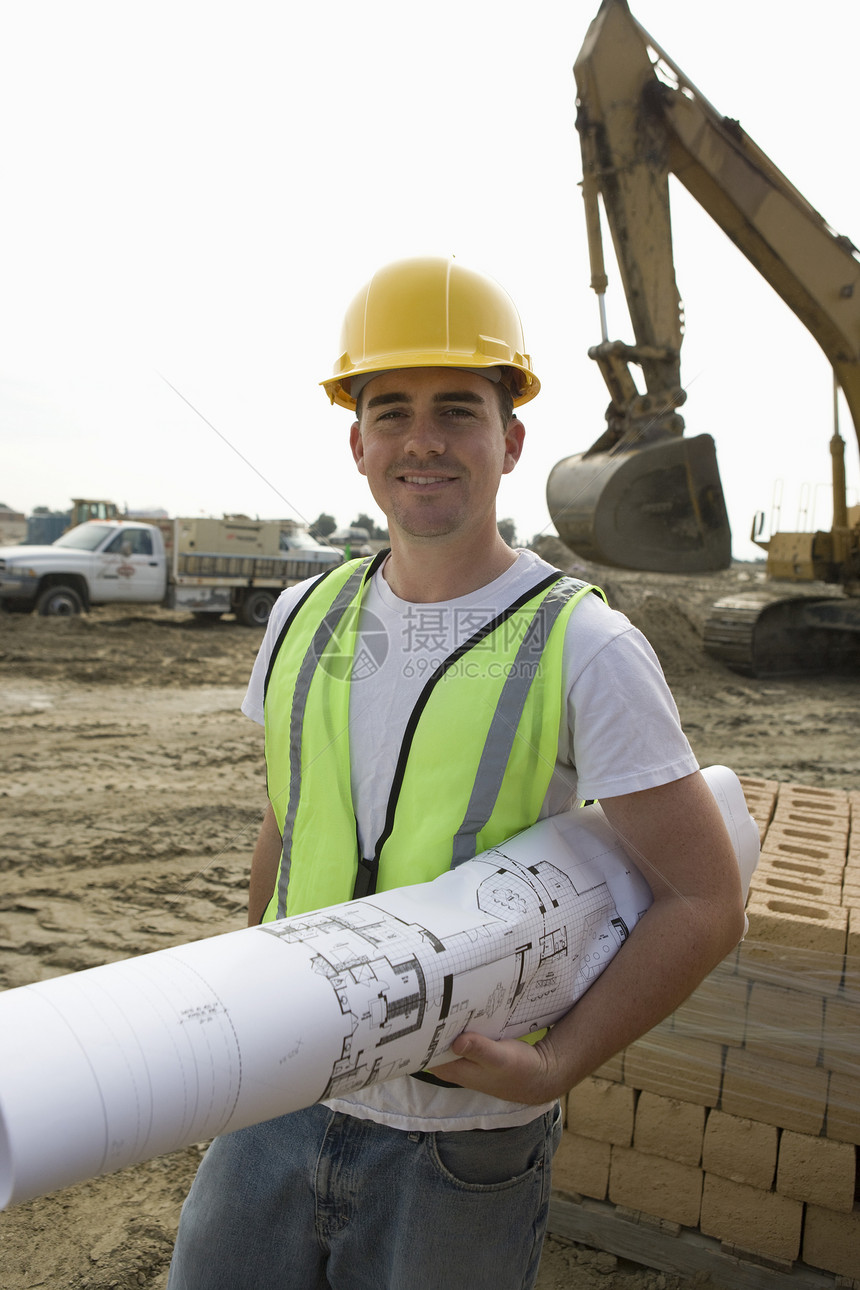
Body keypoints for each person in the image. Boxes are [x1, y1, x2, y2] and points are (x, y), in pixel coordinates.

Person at [167, 256, 745, 1290]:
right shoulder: (304, 617)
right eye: (390, 411)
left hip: (460, 1136)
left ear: (509, 439)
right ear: (356, 443)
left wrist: (559, 1063)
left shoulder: (585, 644)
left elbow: (704, 899)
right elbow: (288, 824)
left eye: (456, 410)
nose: (421, 440)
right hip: (279, 1096)